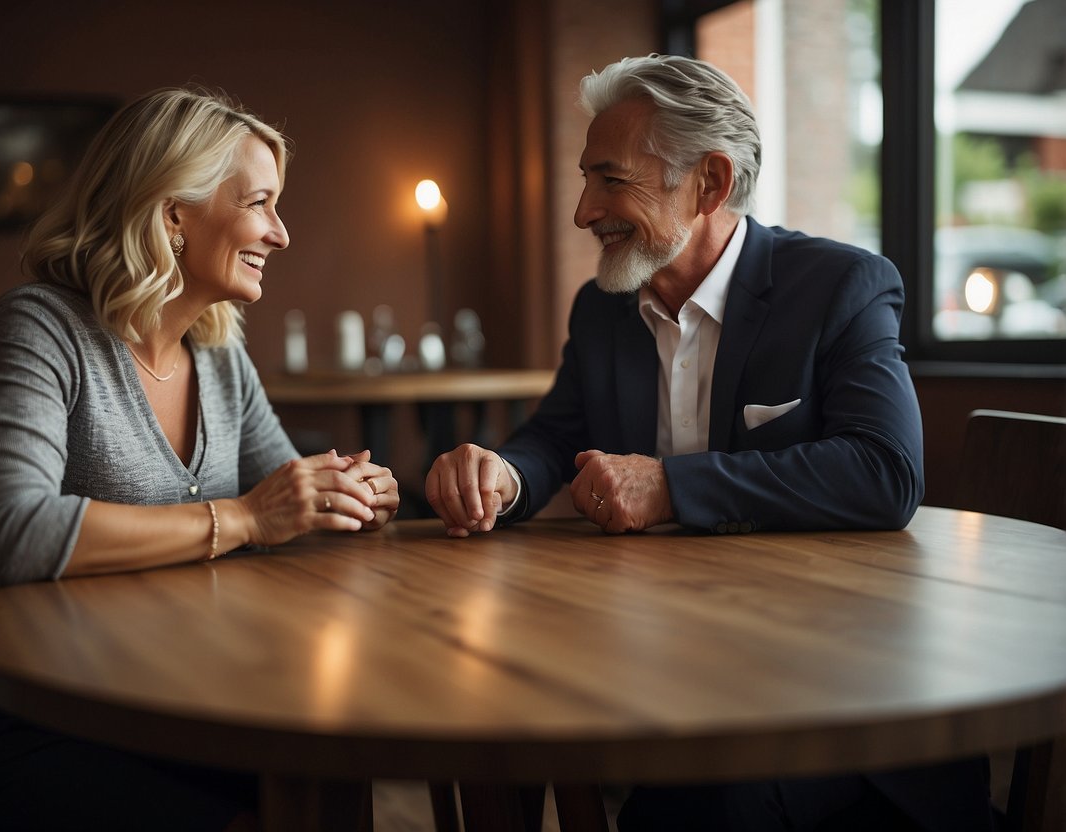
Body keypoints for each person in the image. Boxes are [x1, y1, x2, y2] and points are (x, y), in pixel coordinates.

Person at [425, 55, 992, 831]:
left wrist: (667, 486)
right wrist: (503, 476)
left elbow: (884, 473)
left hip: (838, 705)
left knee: (686, 808)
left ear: (710, 184)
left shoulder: (841, 286)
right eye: (585, 180)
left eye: (610, 179)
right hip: (666, 671)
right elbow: (554, 437)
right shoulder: (603, 308)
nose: (583, 210)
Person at [0, 87, 399, 832]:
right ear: (173, 214)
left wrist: (345, 492)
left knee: (327, 783)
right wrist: (242, 516)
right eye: (261, 203)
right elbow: (17, 532)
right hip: (18, 707)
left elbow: (283, 501)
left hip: (167, 690)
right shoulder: (40, 326)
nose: (282, 233)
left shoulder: (218, 348)